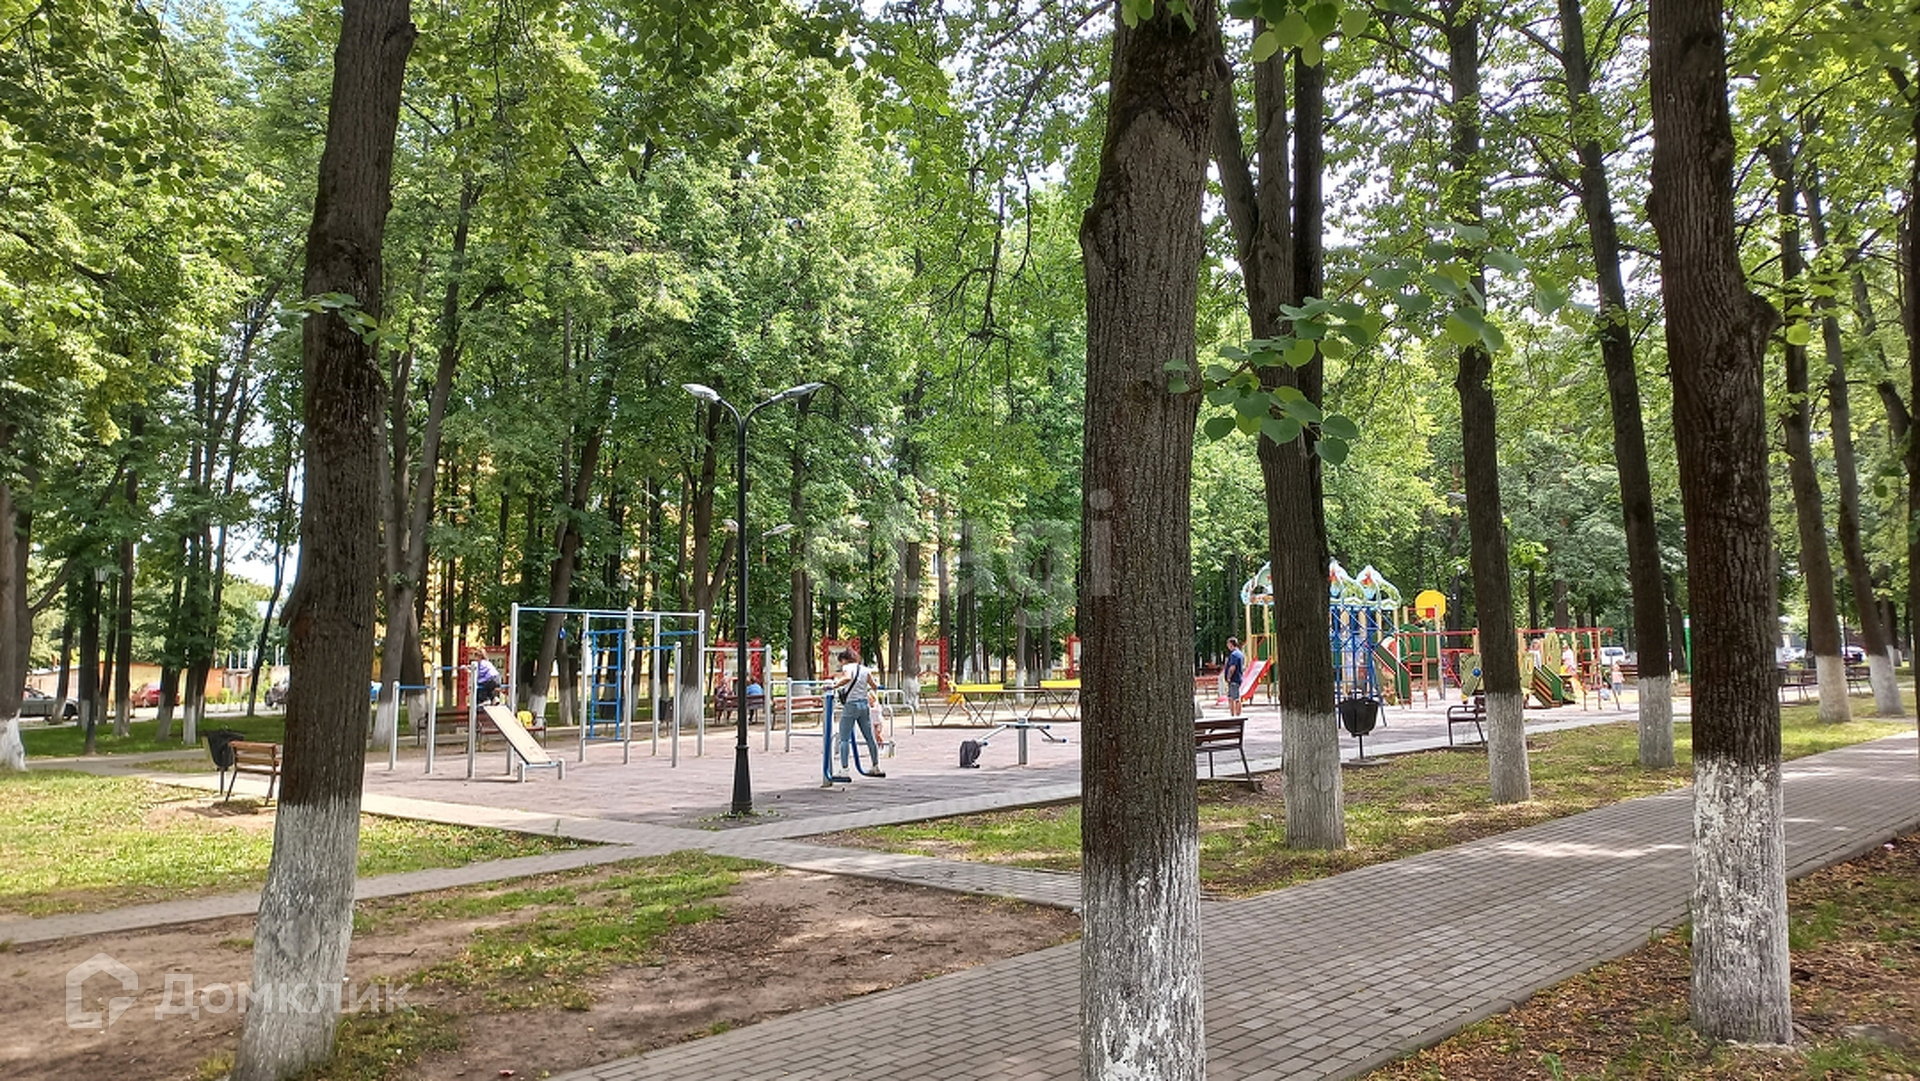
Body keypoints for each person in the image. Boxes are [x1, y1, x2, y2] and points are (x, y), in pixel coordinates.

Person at [830, 647, 884, 780]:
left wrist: (834, 686)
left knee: (844, 738)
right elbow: (874, 686)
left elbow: (847, 678)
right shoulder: (865, 669)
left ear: (844, 660)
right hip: (864, 705)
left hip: (851, 705)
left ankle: (844, 769)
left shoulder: (847, 668)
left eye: (841, 662)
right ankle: (876, 766)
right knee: (869, 737)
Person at [1224, 637, 1246, 718]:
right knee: (1230, 697)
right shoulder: (1240, 654)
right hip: (1238, 678)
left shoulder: (1234, 654)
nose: (1227, 646)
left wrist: (1228, 677)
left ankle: (1236, 716)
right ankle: (1233, 715)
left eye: (1228, 644)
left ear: (1231, 644)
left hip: (1234, 679)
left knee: (1236, 698)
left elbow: (1232, 667)